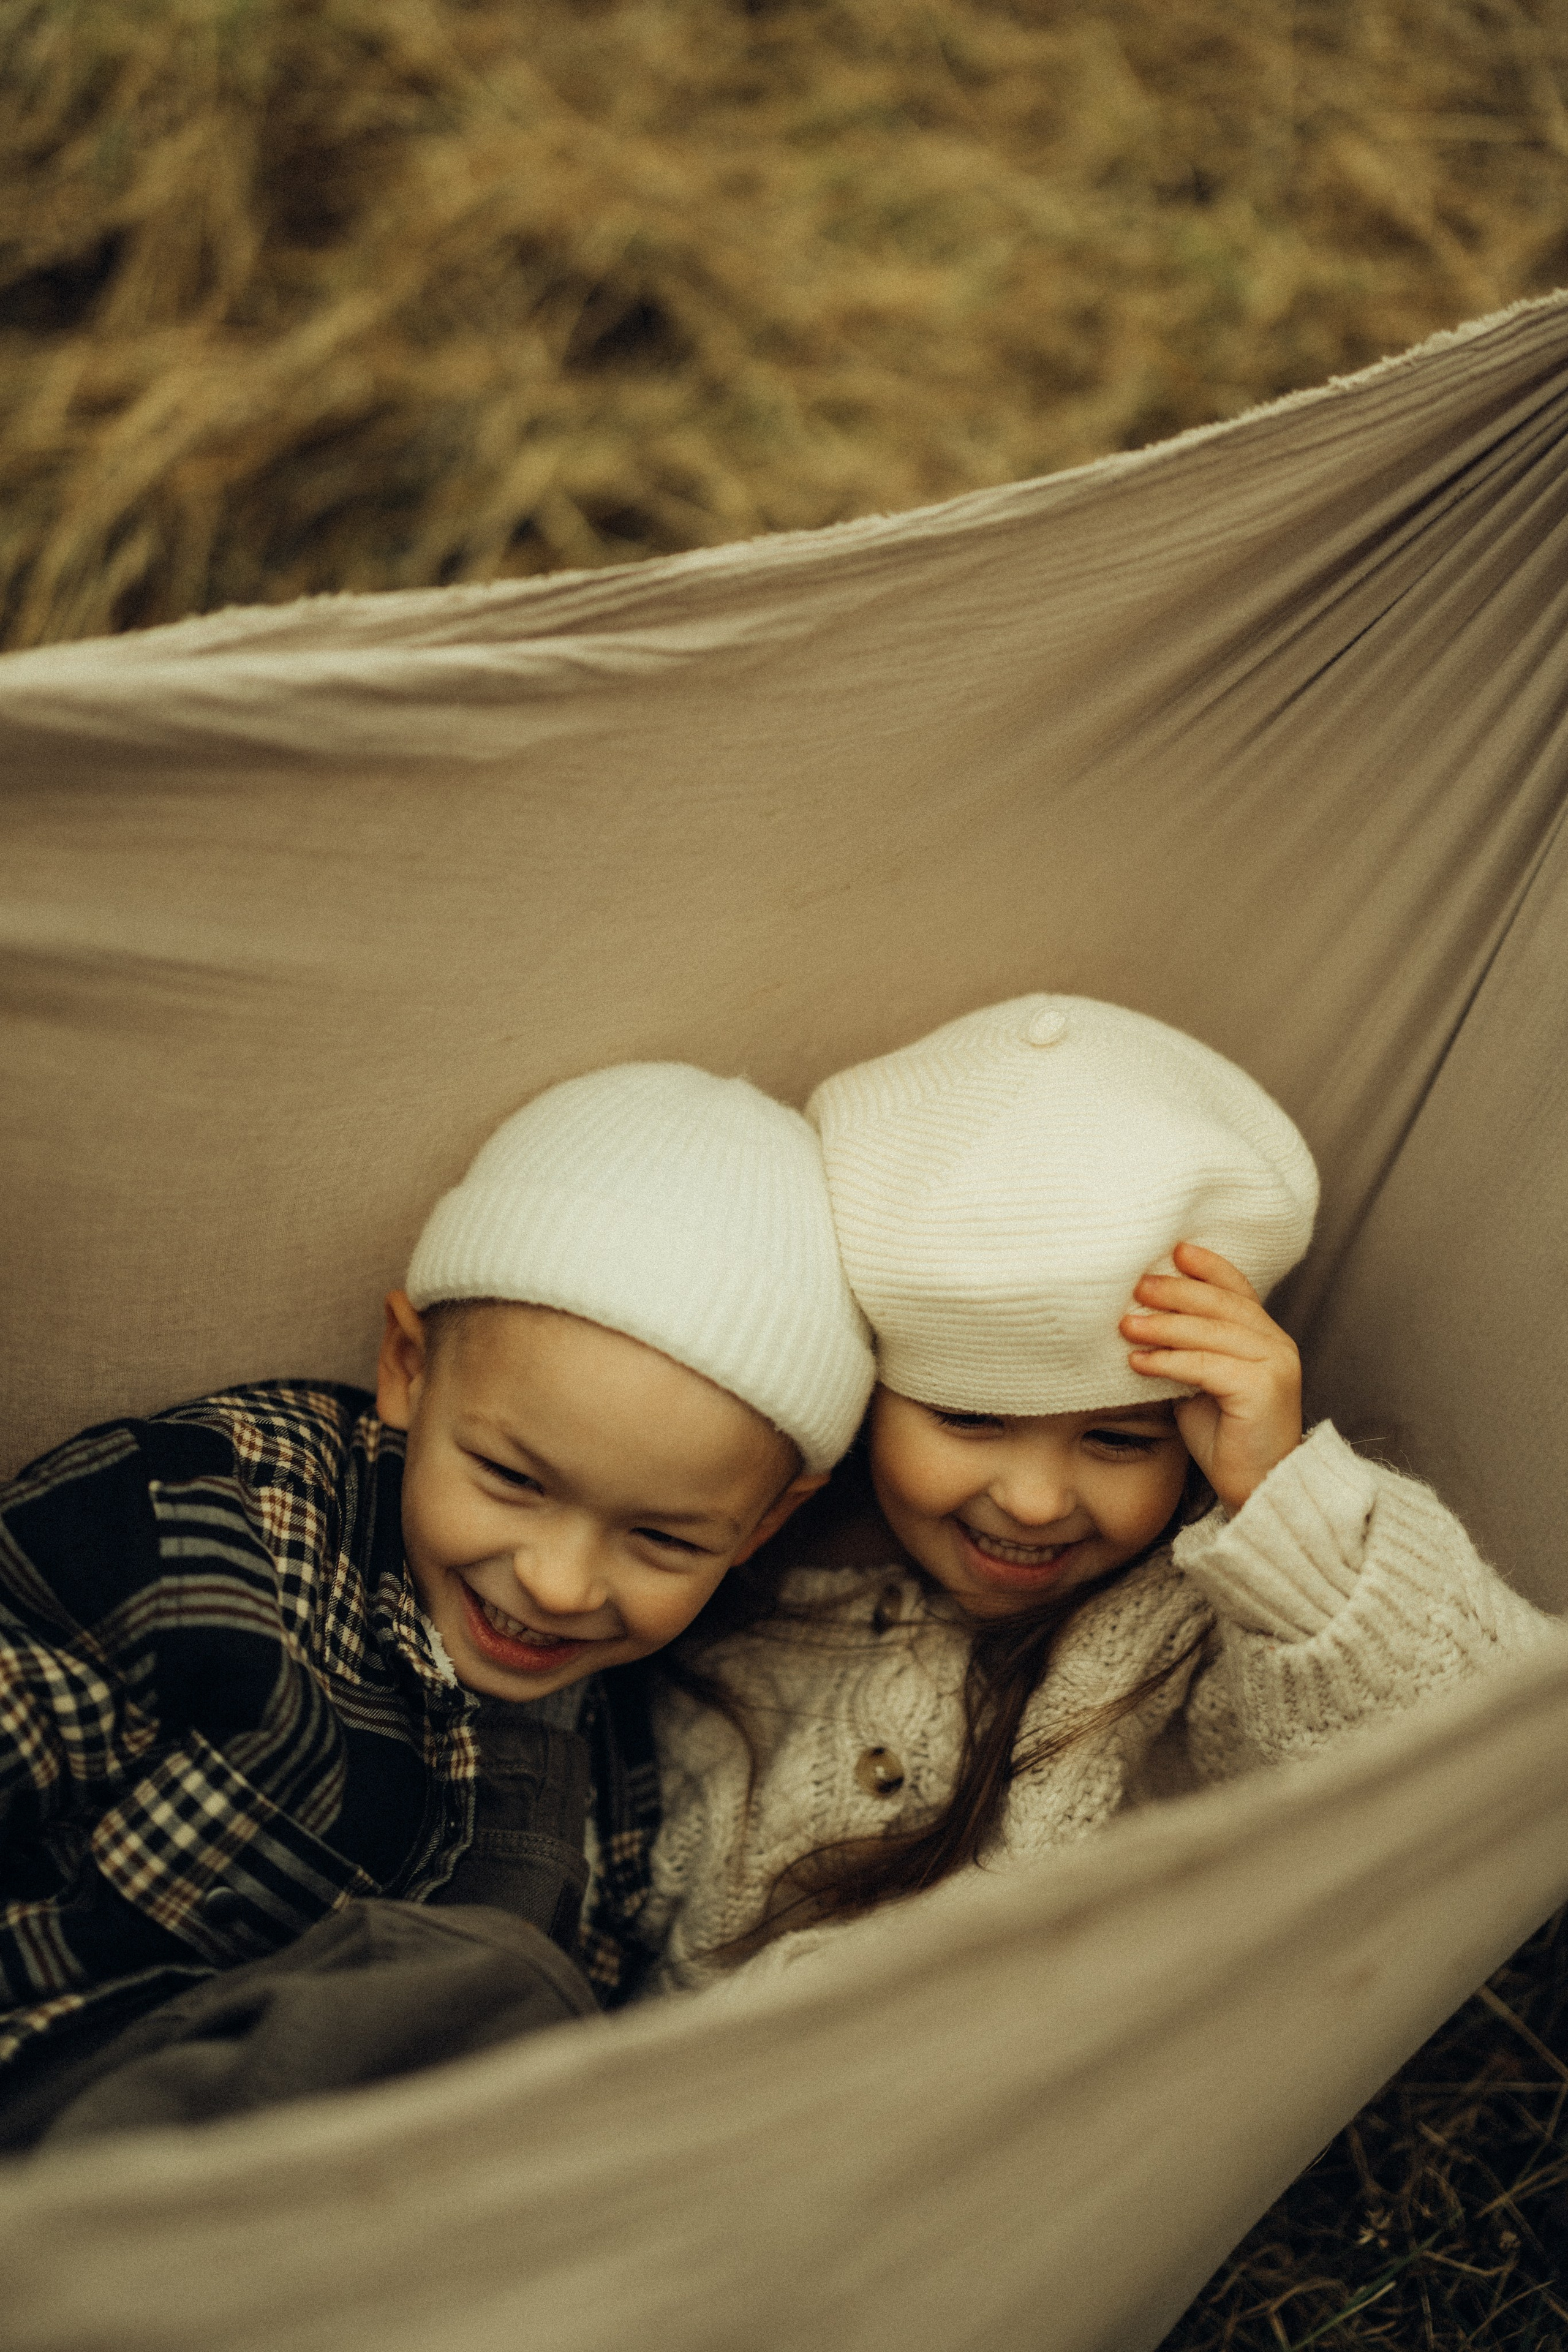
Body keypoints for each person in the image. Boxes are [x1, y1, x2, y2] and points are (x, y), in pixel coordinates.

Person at [0, 1063, 873, 2146]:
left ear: (766, 1527)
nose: (558, 1584)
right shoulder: (195, 1528)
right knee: (495, 1981)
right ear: (408, 1369)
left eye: (663, 1539)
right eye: (511, 1479)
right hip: (59, 2093)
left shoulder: (630, 1753)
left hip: (353, 2216)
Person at [641, 997, 1562, 1994]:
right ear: (872, 1395)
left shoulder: (1191, 1628)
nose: (1037, 1502)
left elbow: (1504, 1753)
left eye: (1119, 1439)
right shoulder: (747, 1551)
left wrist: (1282, 1505)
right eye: (971, 1419)